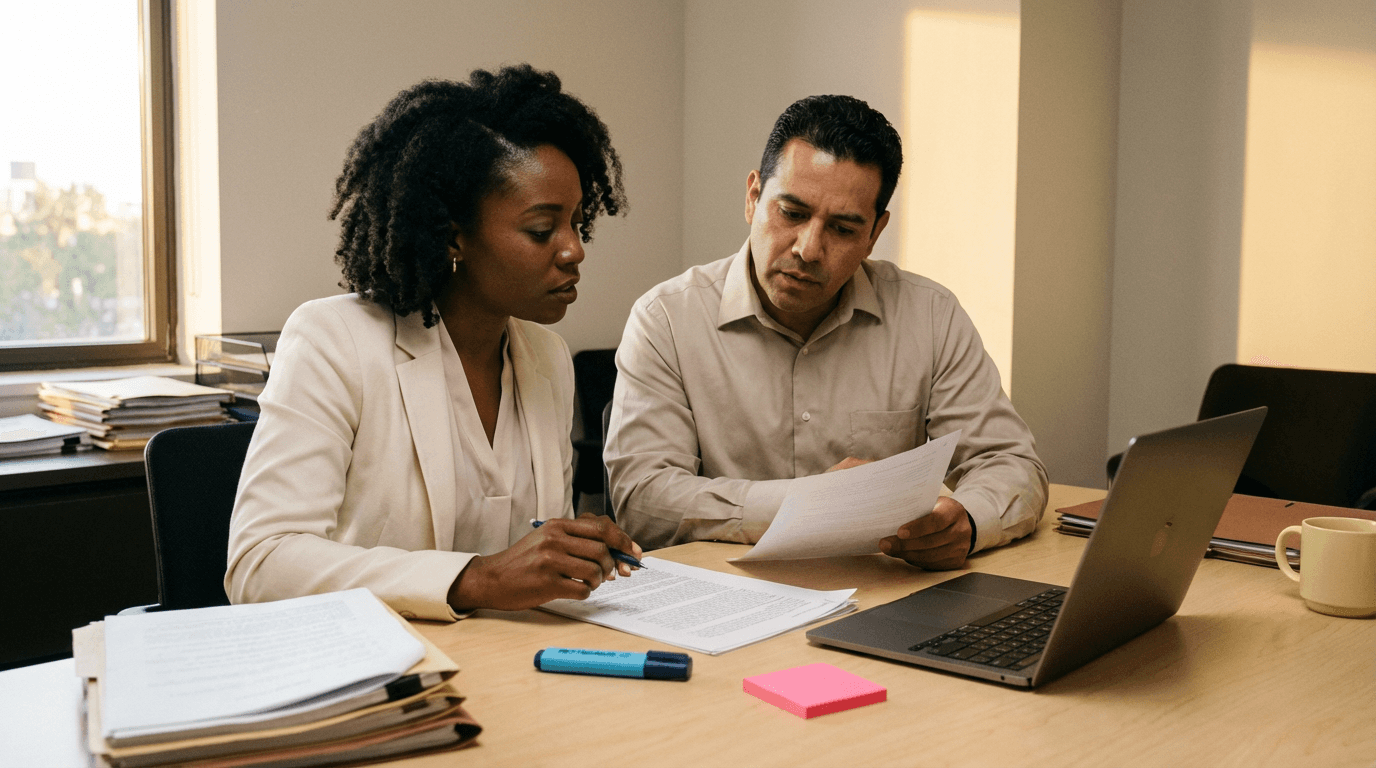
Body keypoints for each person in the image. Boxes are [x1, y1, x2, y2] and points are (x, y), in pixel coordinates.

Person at [226, 65, 642, 621]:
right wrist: (473, 578)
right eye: (543, 229)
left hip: (510, 667)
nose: (573, 250)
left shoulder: (546, 359)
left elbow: (527, 566)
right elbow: (261, 562)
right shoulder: (335, 341)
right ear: (454, 237)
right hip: (381, 673)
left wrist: (572, 551)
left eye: (576, 222)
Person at [605, 94, 1047, 569]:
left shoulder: (930, 315)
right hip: (729, 600)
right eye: (791, 214)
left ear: (875, 233)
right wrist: (814, 501)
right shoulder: (666, 318)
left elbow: (1011, 463)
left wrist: (968, 520)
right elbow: (644, 499)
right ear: (753, 196)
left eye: (842, 229)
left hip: (886, 592)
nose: (809, 249)